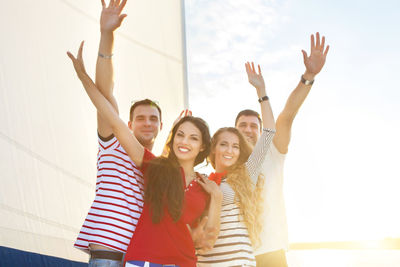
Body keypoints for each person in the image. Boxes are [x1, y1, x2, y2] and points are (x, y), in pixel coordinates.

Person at [67, 42, 222, 267]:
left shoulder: (206, 187)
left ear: (203, 147)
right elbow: (113, 118)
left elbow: (207, 239)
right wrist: (84, 79)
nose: (185, 141)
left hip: (183, 262)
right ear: (172, 137)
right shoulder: (156, 166)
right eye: (180, 134)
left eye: (193, 138)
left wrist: (217, 198)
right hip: (142, 260)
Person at [73, 1, 164, 266]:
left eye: (153, 119)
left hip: (138, 259)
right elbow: (105, 90)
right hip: (108, 255)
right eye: (141, 118)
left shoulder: (155, 164)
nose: (147, 123)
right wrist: (106, 36)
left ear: (160, 126)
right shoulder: (114, 142)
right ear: (129, 123)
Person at [235, 32, 329, 267]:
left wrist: (308, 76)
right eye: (242, 126)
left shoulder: (272, 151)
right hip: (236, 255)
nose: (247, 130)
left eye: (252, 126)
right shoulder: (227, 163)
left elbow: (287, 115)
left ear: (260, 130)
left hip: (270, 253)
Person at [196, 62, 276, 266]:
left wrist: (261, 91)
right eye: (224, 144)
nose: (229, 150)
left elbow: (268, 134)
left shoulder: (247, 174)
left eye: (235, 146)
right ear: (213, 148)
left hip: (238, 261)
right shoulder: (200, 180)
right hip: (204, 262)